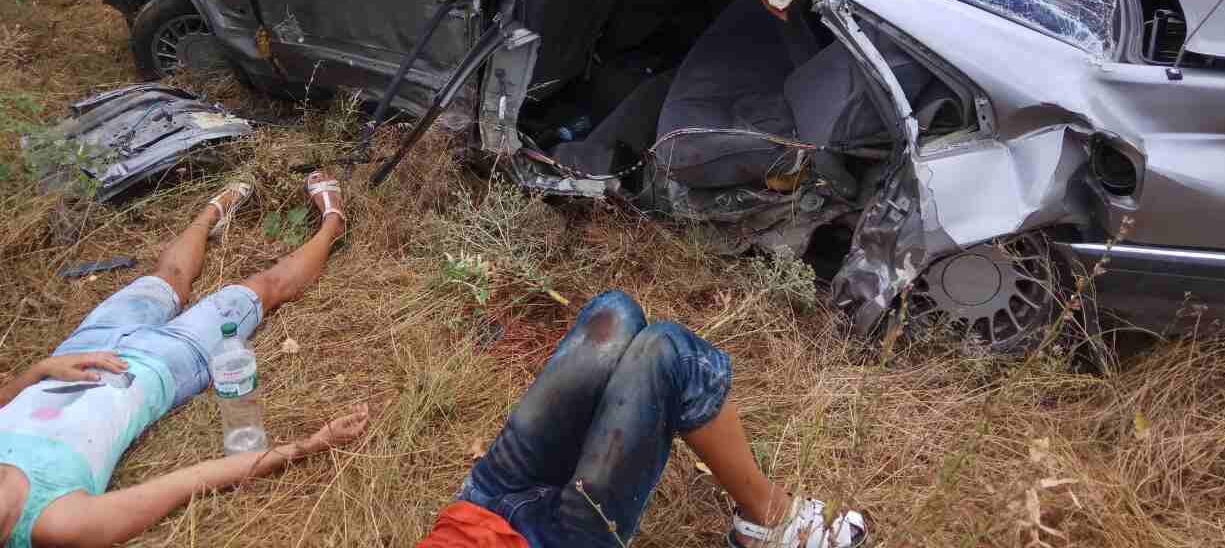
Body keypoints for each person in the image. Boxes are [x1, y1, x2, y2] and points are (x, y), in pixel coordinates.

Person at [0, 171, 370, 548]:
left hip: (82, 348)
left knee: (168, 277)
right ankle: (333, 225)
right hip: (158, 366)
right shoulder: (55, 523)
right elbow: (189, 481)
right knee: (262, 288)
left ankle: (211, 213)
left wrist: (41, 369)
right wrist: (309, 445)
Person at [416, 290, 866, 548]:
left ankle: (586, 456)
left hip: (479, 502)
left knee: (615, 313)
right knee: (670, 354)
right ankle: (769, 522)